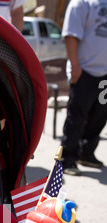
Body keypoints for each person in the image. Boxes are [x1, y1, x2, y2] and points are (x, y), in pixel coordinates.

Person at [60, 0, 107, 176]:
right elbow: (71, 35)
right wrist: (75, 67)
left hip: (105, 76)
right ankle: (67, 159)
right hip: (84, 73)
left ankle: (87, 153)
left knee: (100, 114)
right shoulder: (81, 3)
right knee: (76, 117)